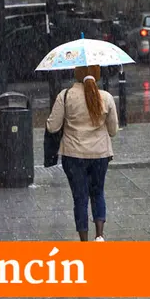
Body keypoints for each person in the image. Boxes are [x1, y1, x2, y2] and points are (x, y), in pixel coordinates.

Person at [46, 65, 118, 242]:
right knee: (98, 192)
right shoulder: (106, 97)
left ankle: (84, 240)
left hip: (73, 154)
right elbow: (113, 130)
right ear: (97, 74)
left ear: (76, 73)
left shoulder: (66, 95)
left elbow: (52, 126)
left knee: (80, 197)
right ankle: (99, 236)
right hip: (100, 154)